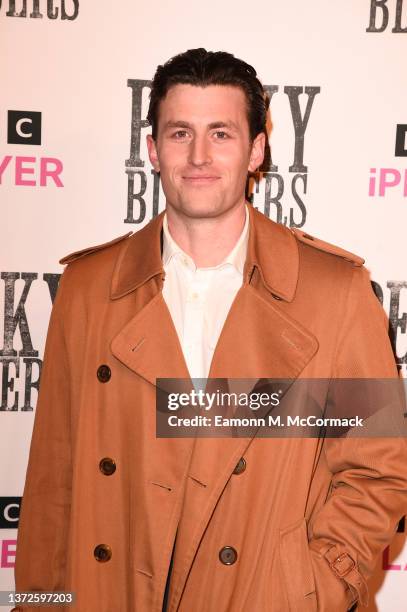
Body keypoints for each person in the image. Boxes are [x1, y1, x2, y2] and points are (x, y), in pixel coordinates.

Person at [13, 48, 407, 612]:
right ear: (152, 150)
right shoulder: (86, 290)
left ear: (257, 151)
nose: (199, 156)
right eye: (180, 134)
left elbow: (378, 465)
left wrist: (314, 583)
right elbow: (54, 482)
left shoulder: (334, 292)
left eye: (221, 134)